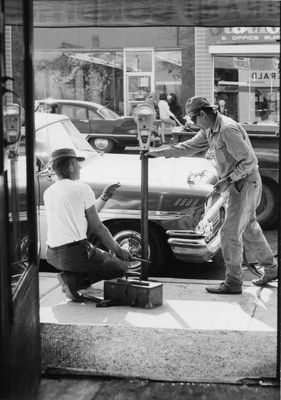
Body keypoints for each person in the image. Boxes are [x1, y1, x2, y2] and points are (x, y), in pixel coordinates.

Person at [147, 96, 277, 294]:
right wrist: (159, 153)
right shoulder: (209, 129)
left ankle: (233, 282)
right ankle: (272, 269)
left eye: (193, 118)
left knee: (228, 234)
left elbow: (249, 161)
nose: (193, 123)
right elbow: (188, 146)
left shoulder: (227, 129)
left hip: (243, 184)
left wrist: (227, 180)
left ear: (202, 114)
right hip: (239, 184)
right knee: (249, 227)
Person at [44, 148, 133, 302]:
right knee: (121, 267)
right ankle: (74, 281)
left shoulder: (49, 191)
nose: (80, 168)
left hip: (52, 255)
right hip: (74, 254)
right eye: (77, 165)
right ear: (71, 166)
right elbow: (97, 227)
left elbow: (85, 216)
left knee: (93, 242)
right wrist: (118, 250)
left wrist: (104, 197)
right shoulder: (82, 188)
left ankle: (73, 276)